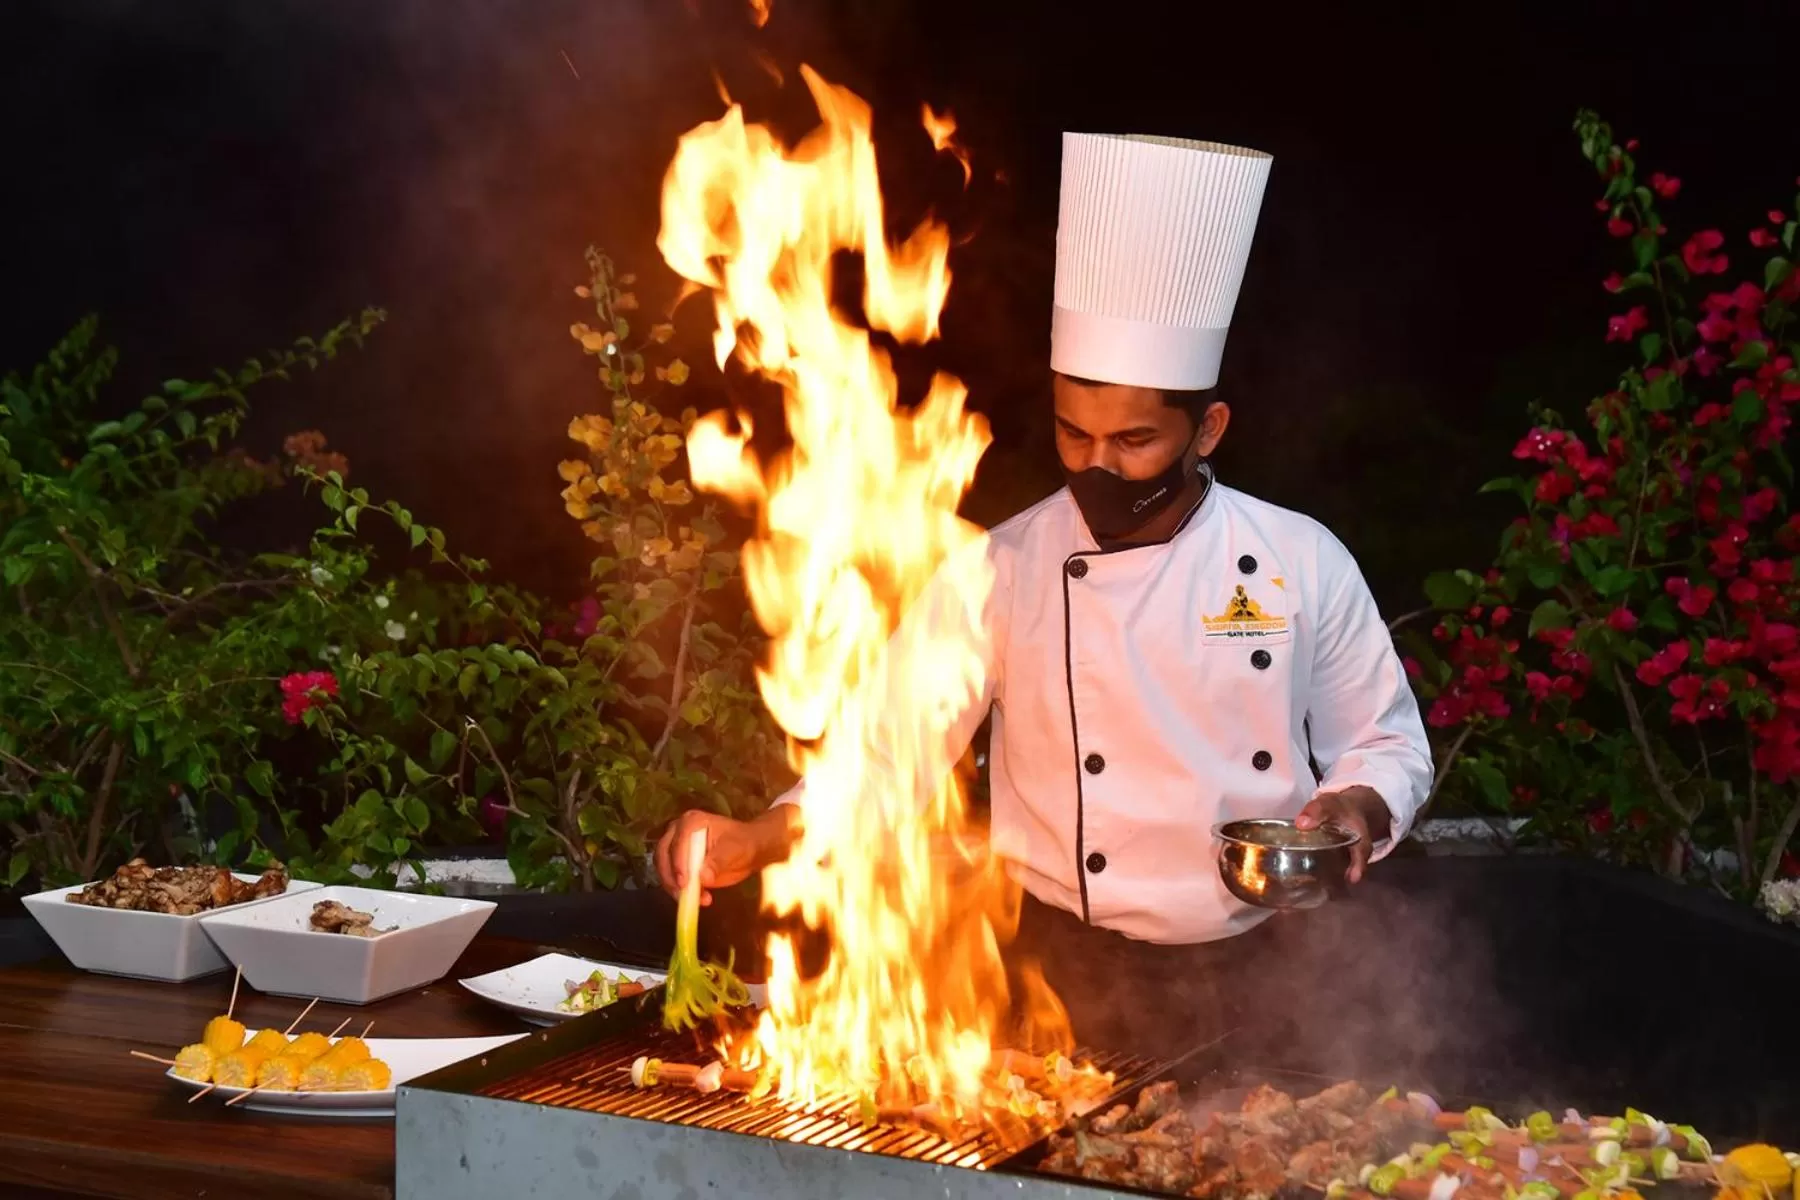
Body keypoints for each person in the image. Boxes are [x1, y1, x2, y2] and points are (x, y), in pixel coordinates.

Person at [655, 131, 1432, 1059]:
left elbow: (1386, 742)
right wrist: (759, 835)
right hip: (1067, 980)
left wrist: (1353, 812)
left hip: (1272, 965)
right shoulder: (999, 570)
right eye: (1073, 435)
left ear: (1208, 428)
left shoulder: (1298, 558)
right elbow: (885, 762)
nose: (1097, 466)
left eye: (1135, 441)